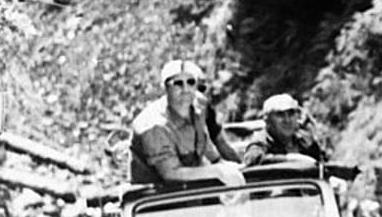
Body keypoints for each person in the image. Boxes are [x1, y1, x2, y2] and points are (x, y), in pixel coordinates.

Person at [129, 58, 245, 186]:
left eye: (191, 82)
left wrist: (228, 165)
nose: (186, 89)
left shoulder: (199, 105)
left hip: (191, 186)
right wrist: (218, 171)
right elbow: (171, 173)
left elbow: (205, 146)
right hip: (156, 193)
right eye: (178, 83)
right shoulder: (154, 125)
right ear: (165, 88)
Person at [241, 93, 326, 165]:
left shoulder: (305, 141)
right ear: (267, 120)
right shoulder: (261, 142)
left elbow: (323, 164)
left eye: (291, 114)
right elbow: (253, 159)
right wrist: (289, 159)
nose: (287, 120)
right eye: (280, 115)